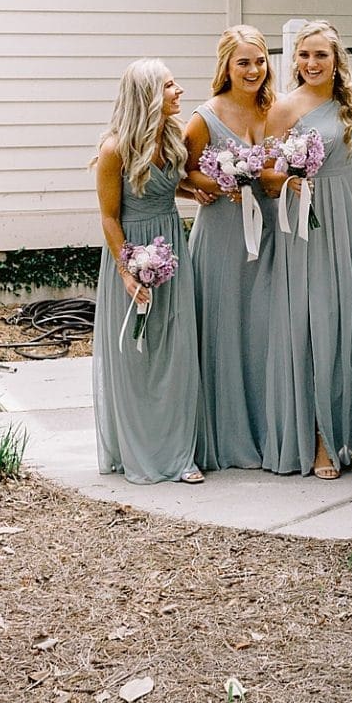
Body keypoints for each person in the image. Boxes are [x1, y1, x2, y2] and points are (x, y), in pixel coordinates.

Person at [262, 20, 352, 478]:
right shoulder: (283, 109)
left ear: (337, 60)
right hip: (307, 226)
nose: (312, 63)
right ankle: (319, 439)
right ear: (294, 61)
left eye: (321, 55)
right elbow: (268, 177)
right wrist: (293, 174)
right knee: (315, 328)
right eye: (304, 55)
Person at [91, 61, 202, 485]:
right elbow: (109, 217)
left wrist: (191, 190)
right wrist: (126, 270)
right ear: (149, 95)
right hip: (132, 250)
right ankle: (140, 450)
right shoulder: (114, 148)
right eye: (171, 85)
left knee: (175, 350)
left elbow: (163, 183)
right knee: (137, 356)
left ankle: (178, 453)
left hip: (172, 245)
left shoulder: (171, 138)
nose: (180, 90)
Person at [184, 26, 281, 471]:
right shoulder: (206, 117)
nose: (253, 70)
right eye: (243, 62)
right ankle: (223, 438)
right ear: (225, 66)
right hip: (222, 236)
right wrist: (218, 186)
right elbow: (181, 174)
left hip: (270, 232)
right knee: (223, 327)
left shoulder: (275, 110)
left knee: (264, 328)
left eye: (259, 61)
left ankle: (267, 433)